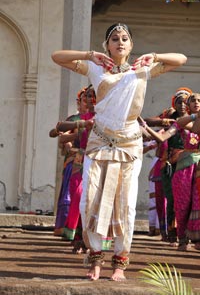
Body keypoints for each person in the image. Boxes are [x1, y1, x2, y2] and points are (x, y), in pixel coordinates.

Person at [51, 22, 187, 280]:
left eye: (125, 38)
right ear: (107, 45)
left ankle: (119, 264)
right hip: (99, 142)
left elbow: (181, 59)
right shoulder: (96, 67)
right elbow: (56, 57)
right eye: (115, 38)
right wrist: (89, 55)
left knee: (125, 205)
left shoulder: (142, 69)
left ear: (131, 45)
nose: (120, 42)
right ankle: (95, 259)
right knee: (88, 201)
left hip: (128, 144)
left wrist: (154, 56)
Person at [142, 92, 200, 251]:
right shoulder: (181, 121)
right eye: (192, 100)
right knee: (180, 204)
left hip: (197, 168)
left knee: (197, 203)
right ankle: (181, 238)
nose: (196, 102)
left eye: (199, 100)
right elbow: (163, 137)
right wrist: (146, 127)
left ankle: (195, 238)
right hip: (182, 168)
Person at [50, 88, 88, 237]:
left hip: (93, 160)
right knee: (72, 194)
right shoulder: (74, 120)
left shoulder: (98, 118)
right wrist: (78, 135)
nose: (89, 103)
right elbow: (62, 138)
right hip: (75, 160)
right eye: (85, 100)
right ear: (79, 103)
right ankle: (67, 228)